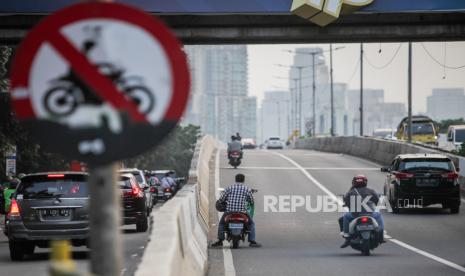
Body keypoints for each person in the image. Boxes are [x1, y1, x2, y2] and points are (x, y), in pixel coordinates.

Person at [211, 173, 261, 248]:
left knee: (222, 223)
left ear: (235, 180)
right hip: (242, 211)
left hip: (229, 211)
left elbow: (221, 199)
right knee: (251, 224)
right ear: (243, 180)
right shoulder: (246, 189)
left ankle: (220, 240)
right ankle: (252, 241)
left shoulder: (229, 188)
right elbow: (251, 201)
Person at [340, 175, 385, 248]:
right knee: (379, 215)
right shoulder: (371, 191)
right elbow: (376, 200)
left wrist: (350, 206)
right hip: (370, 214)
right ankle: (381, 235)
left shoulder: (351, 192)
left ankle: (347, 236)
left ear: (354, 182)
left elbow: (346, 201)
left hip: (355, 214)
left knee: (345, 216)